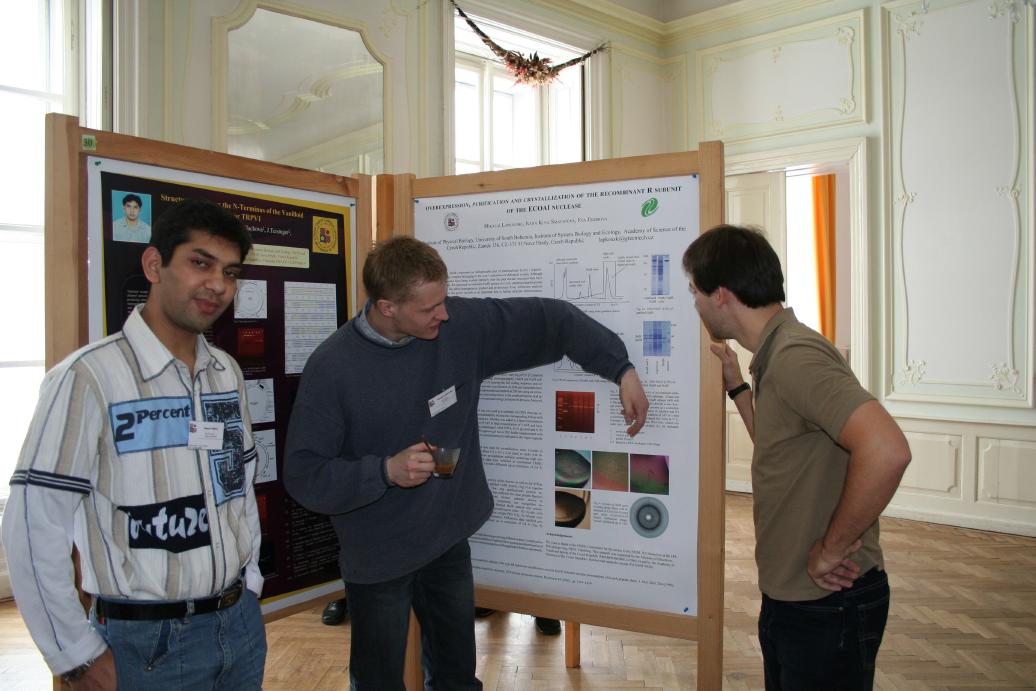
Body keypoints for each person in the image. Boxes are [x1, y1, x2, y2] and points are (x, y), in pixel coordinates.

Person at [284, 236, 649, 690]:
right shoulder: (332, 367)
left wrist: (621, 369)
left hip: (446, 542)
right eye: (430, 308)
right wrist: (384, 472)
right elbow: (304, 473)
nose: (444, 314)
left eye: (444, 300)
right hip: (378, 555)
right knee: (378, 682)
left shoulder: (460, 327)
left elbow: (554, 320)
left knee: (457, 678)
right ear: (387, 307)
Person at [3, 199, 267, 689]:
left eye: (230, 273)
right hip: (146, 645)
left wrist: (250, 581)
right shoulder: (87, 377)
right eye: (200, 262)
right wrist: (74, 656)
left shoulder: (224, 372)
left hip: (239, 627)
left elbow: (240, 485)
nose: (217, 285)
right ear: (153, 265)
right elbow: (33, 523)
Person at [682, 224, 911, 690]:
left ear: (721, 295)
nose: (695, 304)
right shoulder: (776, 352)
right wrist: (737, 387)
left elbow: (887, 450)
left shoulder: (794, 356)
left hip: (827, 603)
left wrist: (832, 548)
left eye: (695, 292)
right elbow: (780, 445)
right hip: (799, 599)